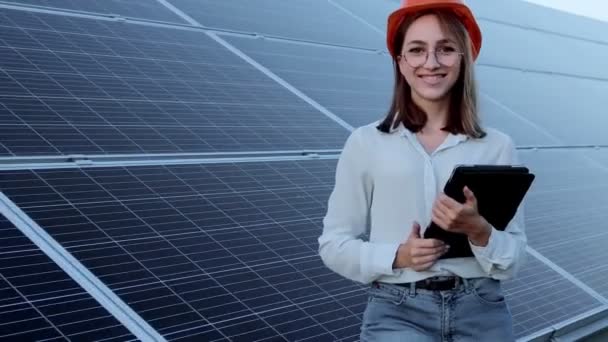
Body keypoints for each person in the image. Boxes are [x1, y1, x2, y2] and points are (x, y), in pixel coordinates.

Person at [317, 0, 527, 341]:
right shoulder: (366, 142)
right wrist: (397, 256)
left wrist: (480, 232)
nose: (431, 62)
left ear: (463, 59)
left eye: (446, 49)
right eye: (416, 50)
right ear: (400, 62)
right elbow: (333, 245)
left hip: (482, 312)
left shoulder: (497, 146)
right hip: (396, 312)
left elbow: (514, 257)